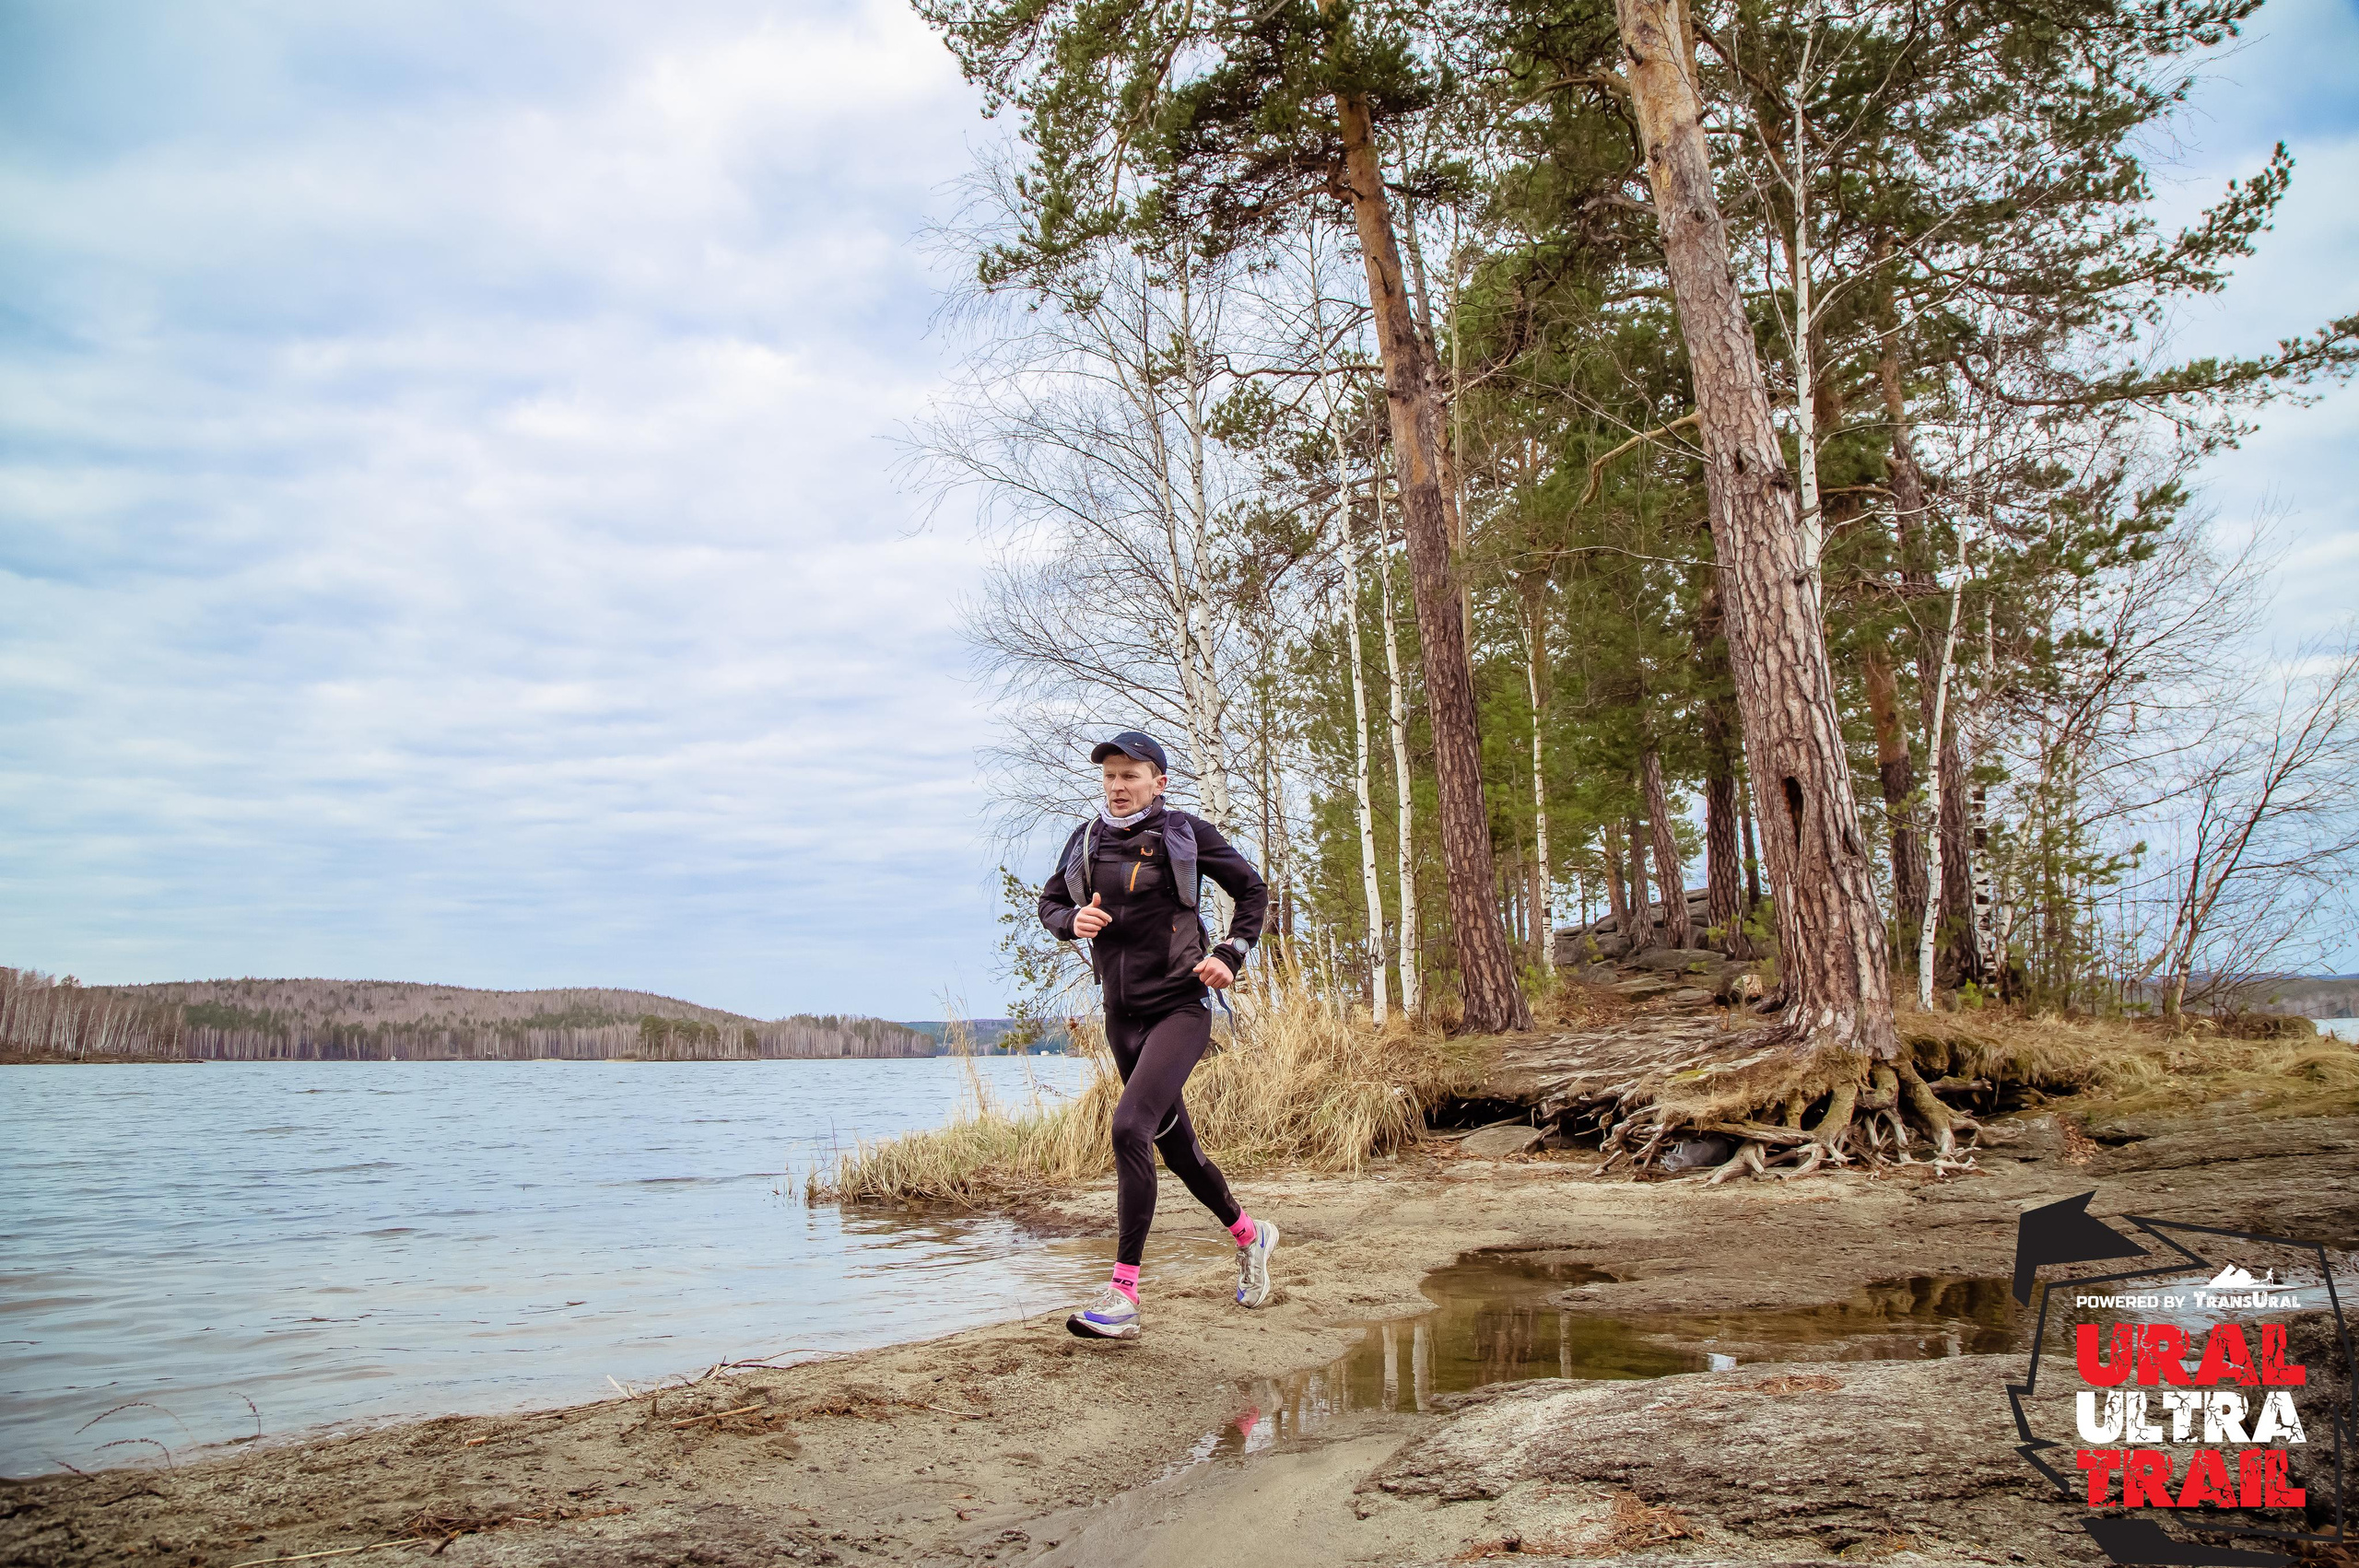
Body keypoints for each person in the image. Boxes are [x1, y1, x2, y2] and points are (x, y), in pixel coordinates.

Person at [1038, 731, 1279, 1340]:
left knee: (1127, 1127)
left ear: (1159, 782)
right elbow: (1048, 903)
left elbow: (1252, 891)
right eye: (1110, 776)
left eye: (1130, 775)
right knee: (1174, 1148)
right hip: (1122, 1017)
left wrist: (1231, 951)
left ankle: (1122, 1296)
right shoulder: (1085, 840)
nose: (1118, 787)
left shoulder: (1186, 833)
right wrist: (1073, 920)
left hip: (1179, 1008)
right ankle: (1251, 1234)